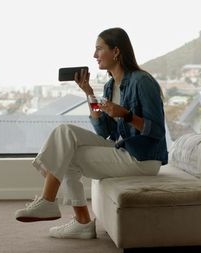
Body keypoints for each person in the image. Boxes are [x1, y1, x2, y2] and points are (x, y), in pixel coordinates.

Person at [14, 27, 168, 239]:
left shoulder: (142, 81)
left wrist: (127, 115)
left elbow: (158, 131)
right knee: (65, 133)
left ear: (116, 52)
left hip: (142, 157)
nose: (94, 56)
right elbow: (105, 131)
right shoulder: (109, 86)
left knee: (67, 154)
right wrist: (89, 94)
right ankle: (61, 209)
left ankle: (73, 216)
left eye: (99, 49)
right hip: (122, 149)